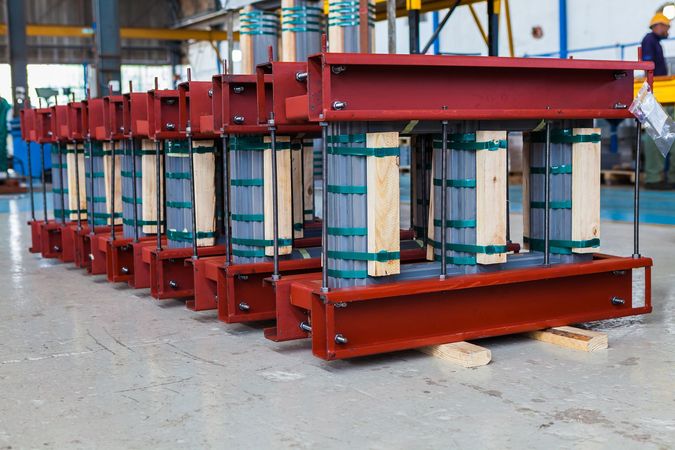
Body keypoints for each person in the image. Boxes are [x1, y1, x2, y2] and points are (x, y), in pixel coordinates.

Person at [641, 12, 675, 189]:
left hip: (662, 93)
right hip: (656, 94)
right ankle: (653, 178)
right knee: (655, 134)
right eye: (666, 27)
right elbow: (648, 68)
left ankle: (662, 177)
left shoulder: (655, 43)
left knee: (665, 133)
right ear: (657, 26)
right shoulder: (649, 40)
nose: (668, 30)